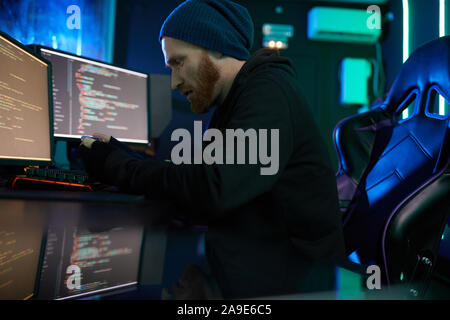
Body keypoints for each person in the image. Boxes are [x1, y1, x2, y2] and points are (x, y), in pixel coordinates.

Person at [79, 0, 345, 299]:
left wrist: (119, 167)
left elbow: (213, 187)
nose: (174, 82)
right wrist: (125, 157)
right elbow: (202, 176)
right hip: (258, 268)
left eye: (179, 62)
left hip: (296, 286)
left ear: (217, 47)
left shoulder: (268, 92)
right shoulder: (236, 101)